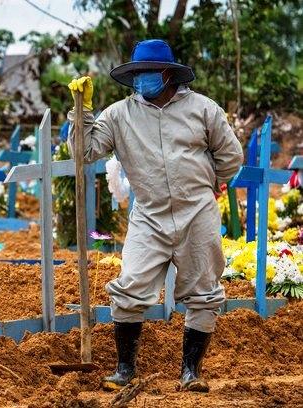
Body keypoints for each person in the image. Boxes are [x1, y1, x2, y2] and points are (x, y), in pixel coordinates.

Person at [67, 39, 243, 392]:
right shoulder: (119, 115)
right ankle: (124, 368)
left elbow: (230, 156)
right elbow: (84, 152)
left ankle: (191, 371)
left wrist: (209, 186)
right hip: (148, 214)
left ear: (167, 74)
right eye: (136, 74)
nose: (141, 80)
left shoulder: (204, 110)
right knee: (131, 286)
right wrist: (81, 112)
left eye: (147, 73)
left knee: (203, 291)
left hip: (197, 211)